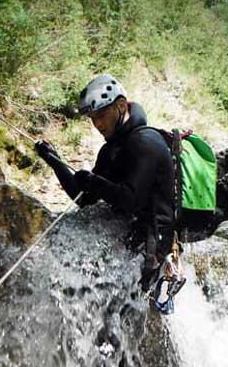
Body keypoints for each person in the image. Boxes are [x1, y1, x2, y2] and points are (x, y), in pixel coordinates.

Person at [35, 74, 175, 291]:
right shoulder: (111, 150)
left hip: (153, 241)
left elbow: (131, 200)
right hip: (130, 234)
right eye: (92, 118)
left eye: (101, 115)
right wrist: (54, 161)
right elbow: (85, 199)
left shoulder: (146, 143)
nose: (97, 124)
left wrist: (94, 181)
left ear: (120, 106)